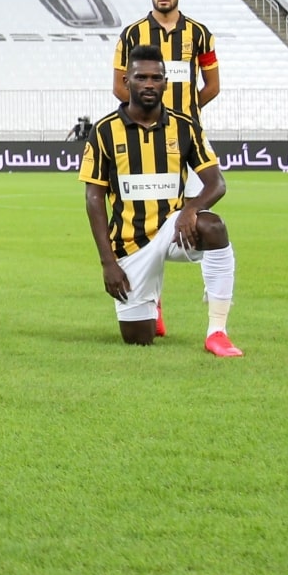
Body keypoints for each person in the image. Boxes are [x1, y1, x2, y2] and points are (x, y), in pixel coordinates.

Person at [81, 47, 242, 357]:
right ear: (126, 81)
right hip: (129, 244)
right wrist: (107, 263)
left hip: (173, 228)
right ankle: (150, 303)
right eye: (141, 77)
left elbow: (216, 183)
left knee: (213, 226)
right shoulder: (104, 131)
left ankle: (217, 332)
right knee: (139, 339)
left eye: (156, 78)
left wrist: (190, 210)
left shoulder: (185, 127)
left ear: (166, 83)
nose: (149, 84)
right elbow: (93, 198)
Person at [112, 0, 219, 334]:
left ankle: (215, 302)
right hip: (147, 141)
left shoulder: (199, 34)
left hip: (188, 139)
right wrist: (148, 116)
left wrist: (183, 116)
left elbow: (212, 85)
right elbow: (119, 87)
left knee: (201, 218)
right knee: (152, 221)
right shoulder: (132, 34)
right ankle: (154, 303)